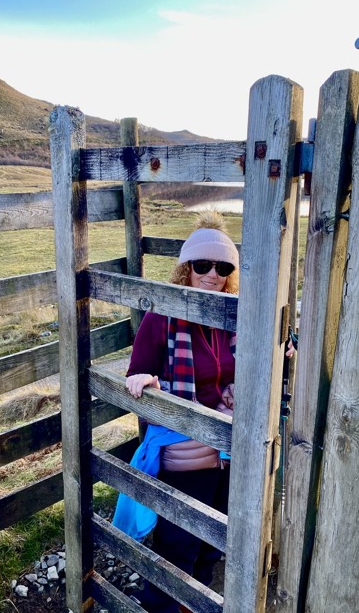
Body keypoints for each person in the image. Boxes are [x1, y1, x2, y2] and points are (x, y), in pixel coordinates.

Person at [117, 210, 294, 613]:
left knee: (214, 544)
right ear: (186, 269)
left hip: (230, 452)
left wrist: (282, 351)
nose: (212, 274)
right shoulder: (162, 316)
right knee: (177, 546)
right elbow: (137, 374)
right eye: (202, 265)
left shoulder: (234, 316)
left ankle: (191, 604)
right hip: (185, 457)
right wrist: (150, 385)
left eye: (223, 266)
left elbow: (255, 363)